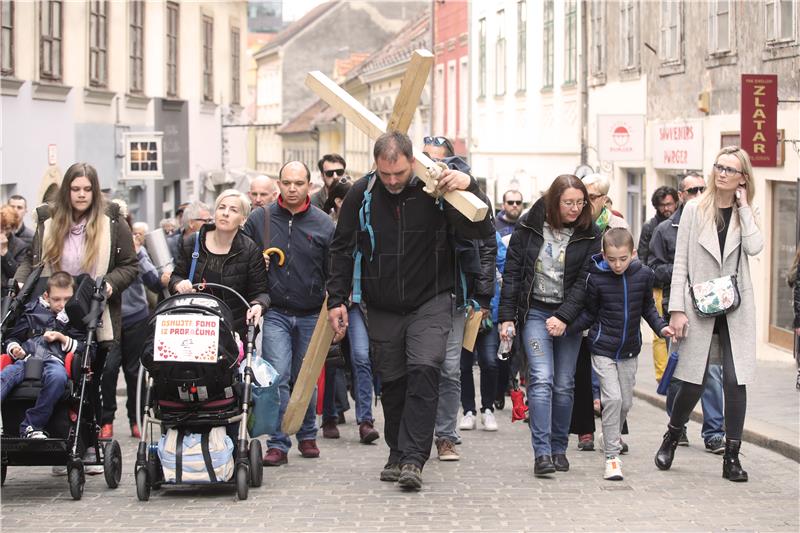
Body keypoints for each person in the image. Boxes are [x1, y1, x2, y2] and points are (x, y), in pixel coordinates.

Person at [327, 132, 493, 490]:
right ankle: (397, 452)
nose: (392, 181)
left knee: (424, 370)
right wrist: (336, 300)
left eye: (399, 174)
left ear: (411, 163)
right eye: (385, 174)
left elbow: (481, 227)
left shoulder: (437, 190)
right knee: (394, 382)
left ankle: (414, 459)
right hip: (383, 304)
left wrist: (471, 186)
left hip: (432, 298)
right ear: (376, 166)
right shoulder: (362, 193)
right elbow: (341, 249)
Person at [14, 162, 138, 473]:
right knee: (52, 376)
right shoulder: (49, 220)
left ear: (95, 191)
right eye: (75, 189)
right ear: (67, 190)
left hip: (92, 309)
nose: (81, 195)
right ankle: (60, 440)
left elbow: (129, 265)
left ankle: (86, 443)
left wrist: (109, 284)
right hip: (52, 309)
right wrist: (20, 283)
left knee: (88, 380)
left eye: (87, 189)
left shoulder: (112, 220)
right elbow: (33, 262)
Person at [655, 146, 763, 483]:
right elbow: (681, 262)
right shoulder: (693, 209)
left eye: (730, 169)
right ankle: (673, 433)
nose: (722, 173)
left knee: (735, 380)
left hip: (734, 309)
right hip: (698, 305)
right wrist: (676, 310)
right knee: (692, 382)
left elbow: (755, 247)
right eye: (719, 166)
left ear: (742, 178)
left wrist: (744, 208)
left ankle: (731, 456)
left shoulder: (746, 211)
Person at [498, 174, 600, 477]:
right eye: (568, 202)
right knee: (541, 378)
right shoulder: (529, 226)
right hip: (535, 312)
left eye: (580, 203)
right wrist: (506, 317)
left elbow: (586, 281)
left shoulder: (590, 232)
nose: (575, 208)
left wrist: (565, 317)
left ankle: (559, 448)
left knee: (565, 383)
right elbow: (513, 272)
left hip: (569, 318)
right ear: (554, 201)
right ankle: (541, 453)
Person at [242, 161, 335, 466]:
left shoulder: (323, 224)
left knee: (305, 378)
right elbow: (243, 260)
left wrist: (336, 305)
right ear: (278, 185)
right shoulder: (260, 219)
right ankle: (278, 443)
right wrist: (258, 269)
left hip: (311, 312)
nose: (292, 189)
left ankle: (307, 435)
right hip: (276, 311)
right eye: (287, 183)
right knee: (278, 376)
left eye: (299, 183)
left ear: (310, 185)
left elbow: (334, 270)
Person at [566, 228, 673, 480]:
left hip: (629, 350)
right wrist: (567, 327)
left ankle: (608, 435)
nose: (617, 264)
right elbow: (589, 313)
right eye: (611, 259)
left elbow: (647, 306)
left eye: (622, 259)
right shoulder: (596, 277)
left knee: (625, 402)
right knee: (612, 399)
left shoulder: (644, 275)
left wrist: (661, 327)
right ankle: (612, 458)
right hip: (602, 348)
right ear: (603, 255)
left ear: (633, 254)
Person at [420, 135, 497, 462]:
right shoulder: (409, 191)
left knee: (450, 369)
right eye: (426, 160)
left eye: (441, 161)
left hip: (453, 295)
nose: (434, 168)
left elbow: (486, 232)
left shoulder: (464, 195)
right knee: (419, 368)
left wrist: (482, 294)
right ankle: (416, 435)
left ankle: (446, 437)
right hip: (414, 296)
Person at [649, 172, 726, 452]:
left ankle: (714, 432)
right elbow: (654, 269)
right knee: (680, 372)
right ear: (681, 194)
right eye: (692, 189)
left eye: (702, 188)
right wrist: (686, 275)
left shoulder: (717, 221)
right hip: (679, 307)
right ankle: (676, 425)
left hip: (711, 306)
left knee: (713, 373)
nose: (698, 193)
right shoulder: (665, 229)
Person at [571, 173, 629, 452]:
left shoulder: (617, 223)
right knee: (582, 371)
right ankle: (584, 430)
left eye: (592, 197)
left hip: (610, 307)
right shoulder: (575, 222)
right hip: (581, 304)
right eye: (584, 196)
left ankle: (616, 433)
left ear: (604, 199)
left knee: (615, 379)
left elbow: (631, 261)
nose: (586, 202)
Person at [170, 189, 268, 342]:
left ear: (243, 220)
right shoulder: (193, 242)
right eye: (221, 208)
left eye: (233, 210)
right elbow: (176, 276)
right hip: (193, 329)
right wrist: (178, 284)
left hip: (232, 332)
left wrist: (258, 305)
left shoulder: (250, 250)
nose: (226, 213)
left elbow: (261, 293)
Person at [1, 272, 85, 438]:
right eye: (57, 299)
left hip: (55, 361)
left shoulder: (76, 317)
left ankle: (32, 425)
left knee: (58, 378)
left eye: (67, 299)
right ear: (46, 296)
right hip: (27, 360)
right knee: (5, 376)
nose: (62, 305)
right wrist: (15, 348)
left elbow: (86, 347)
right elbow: (12, 338)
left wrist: (62, 338)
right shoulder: (31, 312)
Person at [99, 222, 162, 439]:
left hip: (136, 316)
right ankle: (106, 420)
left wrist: (139, 255)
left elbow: (154, 282)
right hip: (109, 318)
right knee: (108, 370)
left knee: (135, 372)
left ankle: (136, 419)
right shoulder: (102, 249)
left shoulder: (138, 251)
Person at [163, 201, 211, 287]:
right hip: (172, 298)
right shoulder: (169, 244)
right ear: (191, 223)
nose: (210, 224)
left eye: (210, 220)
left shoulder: (211, 244)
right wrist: (167, 280)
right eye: (206, 221)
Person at [1, 205, 28, 280]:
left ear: (13, 228)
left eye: (7, 228)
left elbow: (18, 275)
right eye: (0, 227)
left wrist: (5, 252)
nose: (3, 232)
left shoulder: (20, 246)